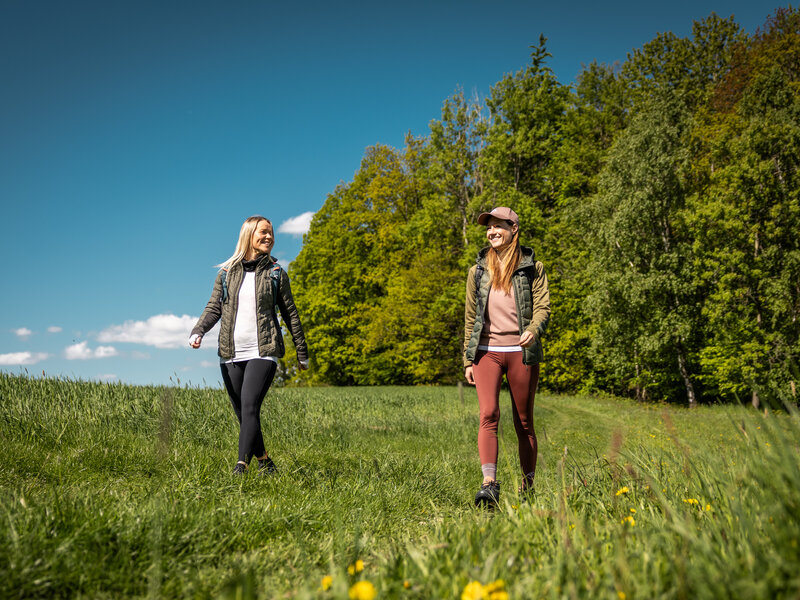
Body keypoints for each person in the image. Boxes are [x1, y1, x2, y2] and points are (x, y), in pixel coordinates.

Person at [189, 215, 309, 475]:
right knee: (243, 414)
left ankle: (240, 466)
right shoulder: (226, 273)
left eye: (271, 233)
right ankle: (265, 462)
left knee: (250, 405)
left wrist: (302, 351)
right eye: (263, 232)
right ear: (249, 235)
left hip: (263, 350)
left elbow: (291, 314)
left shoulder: (276, 273)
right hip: (230, 352)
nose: (269, 237)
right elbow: (214, 308)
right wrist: (199, 330)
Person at [463, 207, 550, 506]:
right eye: (489, 228)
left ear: (514, 228)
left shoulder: (533, 267)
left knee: (523, 421)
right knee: (488, 415)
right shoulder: (477, 271)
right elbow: (470, 317)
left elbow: (542, 308)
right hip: (486, 352)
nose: (492, 232)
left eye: (498, 226)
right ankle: (489, 484)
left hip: (521, 352)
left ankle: (528, 488)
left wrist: (534, 330)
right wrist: (467, 358)